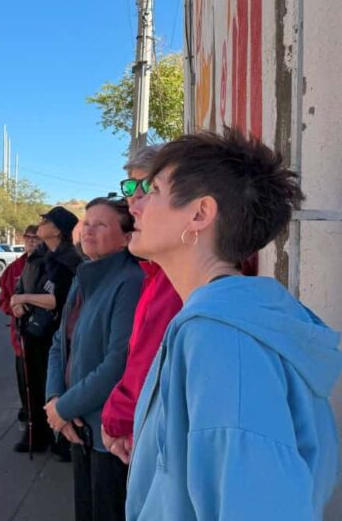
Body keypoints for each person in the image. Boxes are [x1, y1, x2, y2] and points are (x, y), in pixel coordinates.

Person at [126, 129, 342, 520]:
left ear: (199, 214)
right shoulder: (223, 321)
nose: (135, 205)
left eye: (152, 189)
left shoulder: (224, 338)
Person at [44, 197, 142, 521]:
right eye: (86, 223)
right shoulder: (83, 277)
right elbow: (59, 343)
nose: (88, 230)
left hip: (108, 436)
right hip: (77, 426)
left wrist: (64, 409)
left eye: (101, 224)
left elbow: (117, 364)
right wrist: (55, 399)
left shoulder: (130, 281)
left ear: (127, 237)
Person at [100, 146, 183, 464]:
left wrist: (114, 421)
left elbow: (146, 363)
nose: (132, 203)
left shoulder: (178, 279)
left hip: (154, 443)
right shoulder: (156, 272)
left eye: (148, 187)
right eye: (130, 188)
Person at [10, 206, 81, 453]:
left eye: (46, 219)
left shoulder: (71, 260)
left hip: (59, 335)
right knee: (34, 386)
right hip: (33, 332)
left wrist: (24, 299)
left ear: (59, 230)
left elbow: (61, 299)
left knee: (58, 385)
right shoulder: (38, 256)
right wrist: (18, 301)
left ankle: (62, 441)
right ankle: (38, 435)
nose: (40, 223)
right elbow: (21, 287)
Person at [0, 224, 42, 452]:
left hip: (45, 337)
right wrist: (13, 308)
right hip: (21, 340)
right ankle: (31, 428)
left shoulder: (50, 265)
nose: (33, 242)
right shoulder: (14, 268)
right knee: (25, 385)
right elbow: (3, 299)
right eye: (29, 238)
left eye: (37, 238)